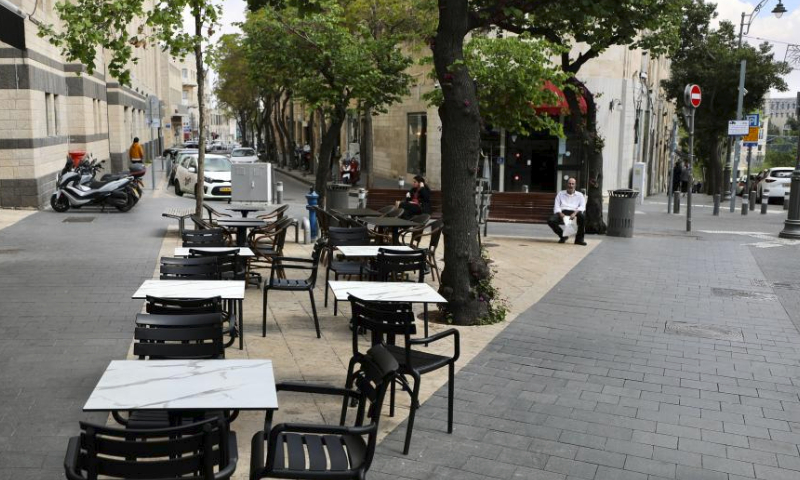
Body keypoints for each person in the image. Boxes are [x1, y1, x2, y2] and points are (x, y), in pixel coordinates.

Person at [547, 177, 587, 246]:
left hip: (574, 212)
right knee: (551, 220)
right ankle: (563, 236)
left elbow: (582, 207)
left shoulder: (580, 195)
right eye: (569, 183)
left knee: (582, 217)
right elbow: (556, 206)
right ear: (567, 184)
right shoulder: (560, 194)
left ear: (575, 185)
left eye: (572, 184)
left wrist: (574, 213)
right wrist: (560, 213)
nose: (571, 185)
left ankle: (579, 240)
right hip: (562, 212)